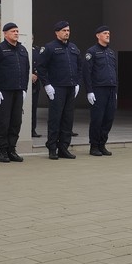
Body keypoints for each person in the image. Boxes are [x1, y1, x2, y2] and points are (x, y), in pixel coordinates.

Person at [36, 20, 81, 160]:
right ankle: (52, 148)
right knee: (55, 119)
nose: (66, 33)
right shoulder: (49, 48)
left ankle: (64, 148)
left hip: (70, 87)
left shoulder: (73, 48)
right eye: (64, 30)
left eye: (68, 30)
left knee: (68, 119)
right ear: (57, 32)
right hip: (57, 88)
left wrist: (77, 83)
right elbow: (41, 67)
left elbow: (80, 67)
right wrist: (47, 85)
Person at [0, 22, 30, 163]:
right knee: (3, 122)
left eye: (17, 31)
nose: (16, 33)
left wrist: (24, 88)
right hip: (4, 91)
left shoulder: (23, 50)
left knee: (16, 121)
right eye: (13, 31)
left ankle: (12, 149)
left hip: (18, 91)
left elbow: (26, 70)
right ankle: (2, 150)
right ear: (5, 34)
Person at [83, 26, 118, 156]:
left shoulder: (111, 53)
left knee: (108, 118)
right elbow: (87, 73)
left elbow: (115, 72)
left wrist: (115, 90)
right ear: (98, 36)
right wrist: (89, 91)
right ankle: (94, 146)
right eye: (105, 33)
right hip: (98, 90)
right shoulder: (91, 52)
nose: (108, 35)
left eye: (109, 33)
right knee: (97, 119)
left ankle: (102, 144)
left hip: (111, 89)